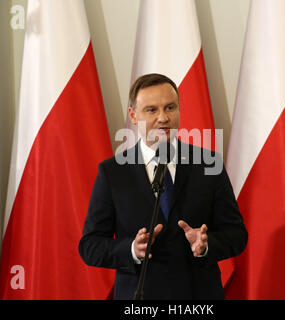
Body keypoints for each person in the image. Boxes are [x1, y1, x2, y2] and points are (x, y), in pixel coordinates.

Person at [79, 73, 247, 299]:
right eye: (151, 110)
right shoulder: (112, 172)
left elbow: (237, 235)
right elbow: (90, 246)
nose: (163, 118)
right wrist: (132, 249)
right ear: (133, 115)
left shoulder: (209, 164)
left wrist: (206, 245)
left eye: (170, 107)